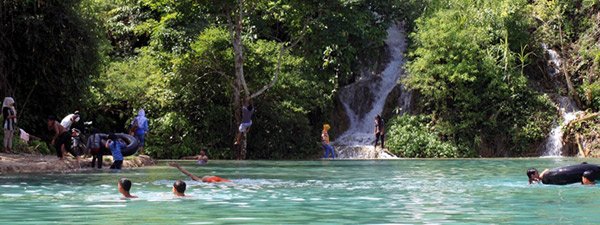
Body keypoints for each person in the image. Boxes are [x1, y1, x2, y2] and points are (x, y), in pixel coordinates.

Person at [527, 163, 600, 185]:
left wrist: (540, 177)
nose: (538, 172)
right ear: (532, 176)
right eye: (536, 172)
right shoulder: (540, 181)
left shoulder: (543, 178)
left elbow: (546, 170)